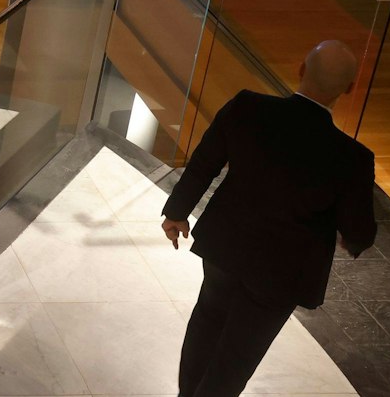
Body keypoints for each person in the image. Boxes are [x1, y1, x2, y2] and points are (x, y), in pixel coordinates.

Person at [161, 40, 377, 396]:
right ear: (350, 88)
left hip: (225, 247)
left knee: (207, 322)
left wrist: (176, 212)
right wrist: (349, 239)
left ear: (301, 69)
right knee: (237, 356)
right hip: (283, 274)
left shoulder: (247, 107)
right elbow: (359, 230)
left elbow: (204, 163)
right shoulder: (353, 158)